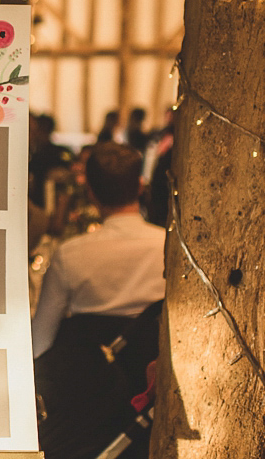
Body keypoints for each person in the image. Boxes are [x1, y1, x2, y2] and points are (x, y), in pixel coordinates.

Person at [31, 142, 166, 459]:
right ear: (141, 186)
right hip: (152, 400)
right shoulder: (168, 245)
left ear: (90, 192)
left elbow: (39, 342)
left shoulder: (73, 254)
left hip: (84, 406)